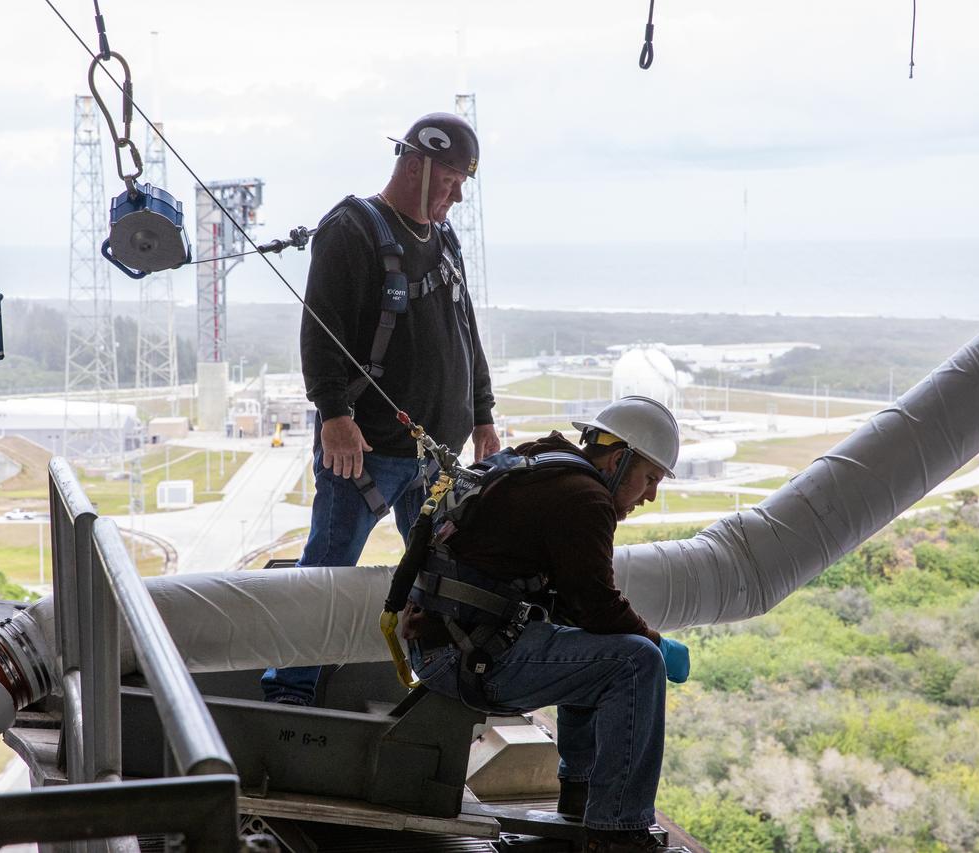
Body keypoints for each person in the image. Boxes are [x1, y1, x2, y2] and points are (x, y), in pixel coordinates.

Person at [261, 112, 499, 705]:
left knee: (441, 578)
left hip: (435, 457)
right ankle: (289, 694)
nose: (457, 196)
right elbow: (321, 330)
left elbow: (464, 329)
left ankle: (438, 685)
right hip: (367, 453)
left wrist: (483, 414)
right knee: (328, 571)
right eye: (451, 181)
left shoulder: (443, 239)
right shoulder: (352, 230)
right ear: (416, 166)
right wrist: (334, 416)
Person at [404, 396, 689, 853]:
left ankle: (582, 796)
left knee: (596, 646)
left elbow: (582, 610)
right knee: (636, 662)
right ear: (618, 460)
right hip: (470, 657)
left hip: (449, 643)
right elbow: (597, 606)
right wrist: (656, 642)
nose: (651, 495)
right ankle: (618, 831)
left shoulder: (539, 461)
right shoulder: (585, 498)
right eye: (650, 478)